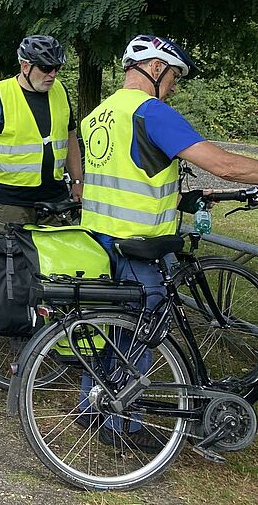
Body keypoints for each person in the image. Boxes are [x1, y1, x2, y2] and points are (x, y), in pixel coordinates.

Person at [77, 34, 258, 451]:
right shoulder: (151, 111)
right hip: (142, 243)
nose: (174, 85)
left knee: (108, 328)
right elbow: (223, 165)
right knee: (143, 332)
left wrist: (182, 197)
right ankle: (125, 426)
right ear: (155, 68)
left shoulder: (98, 115)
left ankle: (93, 408)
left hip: (98, 237)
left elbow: (132, 176)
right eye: (174, 75)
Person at [0, 35, 83, 232]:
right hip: (11, 202)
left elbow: (70, 136)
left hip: (54, 200)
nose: (52, 74)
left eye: (57, 68)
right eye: (46, 68)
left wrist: (77, 181)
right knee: (11, 260)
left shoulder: (60, 91)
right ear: (25, 66)